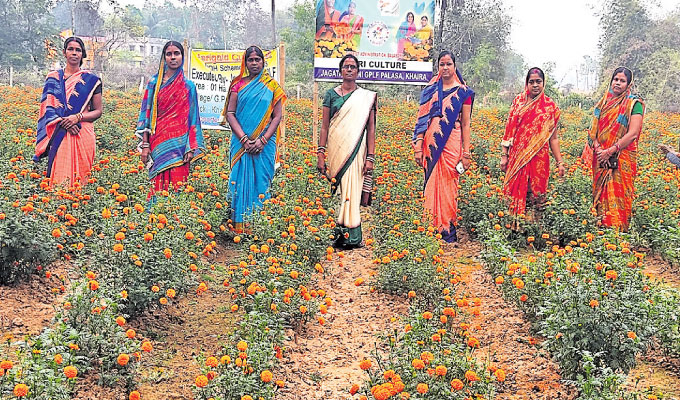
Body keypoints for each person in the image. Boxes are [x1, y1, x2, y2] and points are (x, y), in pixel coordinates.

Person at [220, 46, 286, 233]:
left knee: (262, 181)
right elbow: (230, 113)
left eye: (258, 59)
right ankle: (238, 227)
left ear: (263, 62)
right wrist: (244, 139)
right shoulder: (237, 85)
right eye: (251, 60)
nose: (254, 63)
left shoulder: (272, 86)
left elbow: (277, 116)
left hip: (265, 144)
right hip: (241, 143)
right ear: (245, 62)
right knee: (238, 181)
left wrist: (262, 140)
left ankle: (259, 228)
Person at [413, 51, 474, 243]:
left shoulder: (463, 93)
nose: (445, 68)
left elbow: (466, 124)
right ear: (438, 67)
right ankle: (430, 227)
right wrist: (418, 145)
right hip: (430, 144)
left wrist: (466, 153)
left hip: (452, 142)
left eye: (449, 64)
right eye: (442, 64)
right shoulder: (430, 90)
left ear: (455, 66)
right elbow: (422, 119)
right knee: (431, 183)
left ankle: (447, 229)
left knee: (449, 184)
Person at [317, 54, 376, 248]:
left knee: (353, 189)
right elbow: (324, 127)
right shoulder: (330, 95)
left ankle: (352, 237)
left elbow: (371, 129)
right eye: (346, 66)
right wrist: (320, 153)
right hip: (336, 150)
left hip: (356, 150)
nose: (349, 70)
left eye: (353, 67)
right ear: (340, 71)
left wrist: (370, 157)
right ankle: (338, 234)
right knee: (340, 191)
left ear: (358, 71)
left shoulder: (366, 98)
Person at [136, 41, 205, 200]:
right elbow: (146, 116)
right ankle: (154, 216)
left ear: (182, 56)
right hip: (157, 144)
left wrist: (190, 147)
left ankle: (174, 216)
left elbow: (193, 119)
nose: (173, 57)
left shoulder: (189, 87)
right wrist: (145, 145)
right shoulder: (154, 84)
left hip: (180, 146)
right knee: (156, 187)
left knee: (178, 189)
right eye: (169, 54)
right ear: (164, 58)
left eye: (176, 53)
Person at [34, 36, 102, 187]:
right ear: (64, 52)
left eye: (78, 50)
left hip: (82, 132)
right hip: (60, 132)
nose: (74, 53)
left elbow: (98, 111)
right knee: (60, 180)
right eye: (71, 49)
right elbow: (47, 108)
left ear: (83, 54)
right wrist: (65, 122)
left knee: (82, 181)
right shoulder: (52, 78)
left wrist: (77, 118)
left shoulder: (91, 80)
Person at [501, 67, 564, 223]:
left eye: (538, 81)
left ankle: (533, 228)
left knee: (536, 192)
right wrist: (504, 155)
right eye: (531, 82)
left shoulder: (550, 106)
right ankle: (512, 226)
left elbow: (553, 138)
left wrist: (560, 162)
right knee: (514, 189)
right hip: (517, 156)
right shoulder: (518, 102)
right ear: (526, 83)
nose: (535, 85)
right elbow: (509, 129)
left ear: (543, 83)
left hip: (539, 158)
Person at [587, 66, 644, 230]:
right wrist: (599, 150)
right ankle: (600, 233)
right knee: (600, 196)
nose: (618, 83)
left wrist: (610, 151)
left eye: (622, 81)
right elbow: (593, 131)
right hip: (601, 158)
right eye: (616, 79)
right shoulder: (603, 103)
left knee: (618, 196)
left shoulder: (634, 104)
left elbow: (633, 133)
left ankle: (618, 234)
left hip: (621, 158)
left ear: (628, 84)